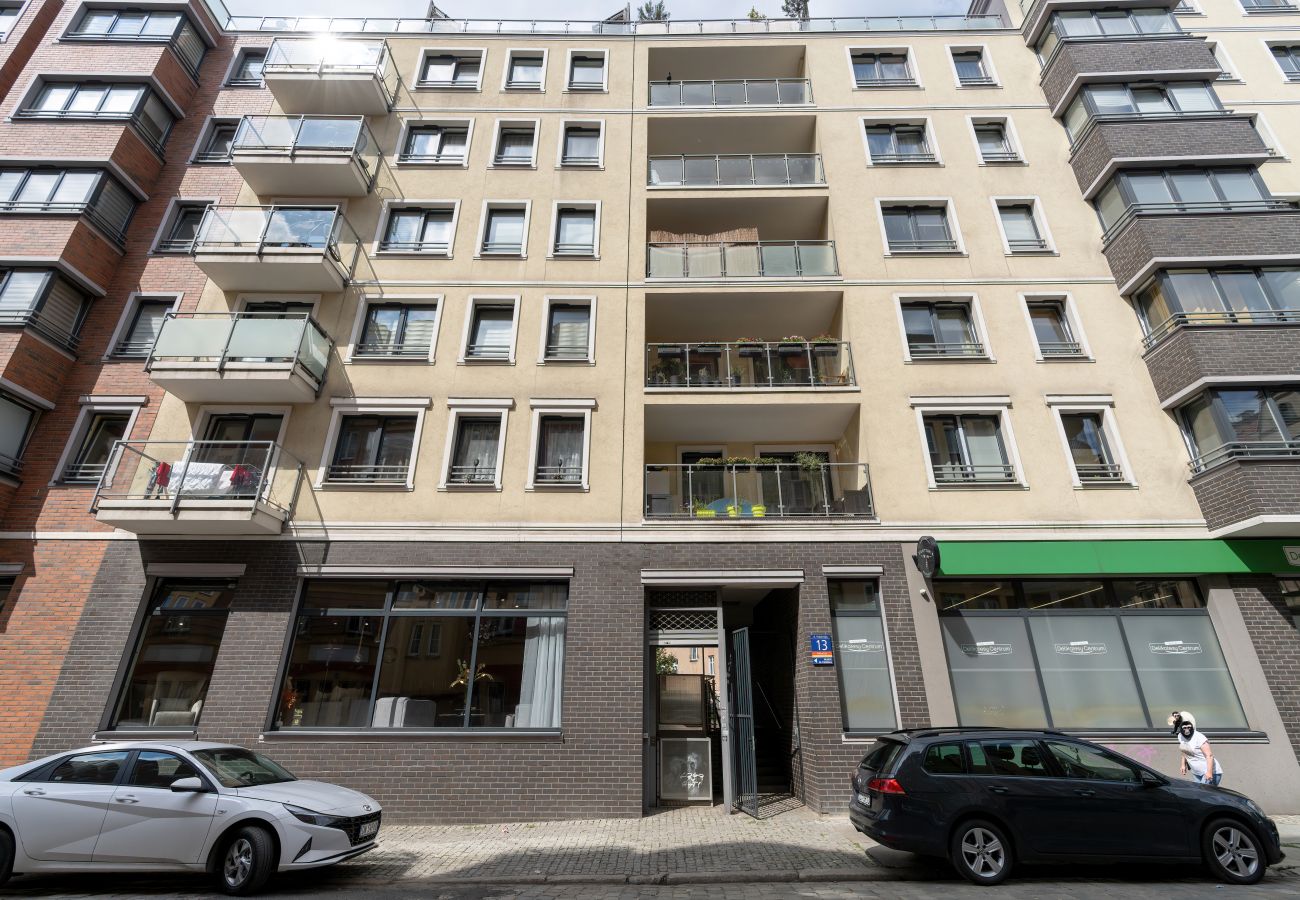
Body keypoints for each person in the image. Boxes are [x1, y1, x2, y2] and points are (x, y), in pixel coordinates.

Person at [1169, 710, 1222, 786]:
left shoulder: (1199, 737)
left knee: (1204, 795)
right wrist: (1183, 764)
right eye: (1184, 728)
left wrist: (1209, 773)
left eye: (1188, 727)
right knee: (1198, 794)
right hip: (1196, 772)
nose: (1187, 730)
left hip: (1208, 772)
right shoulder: (1180, 736)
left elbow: (1209, 755)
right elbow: (1184, 749)